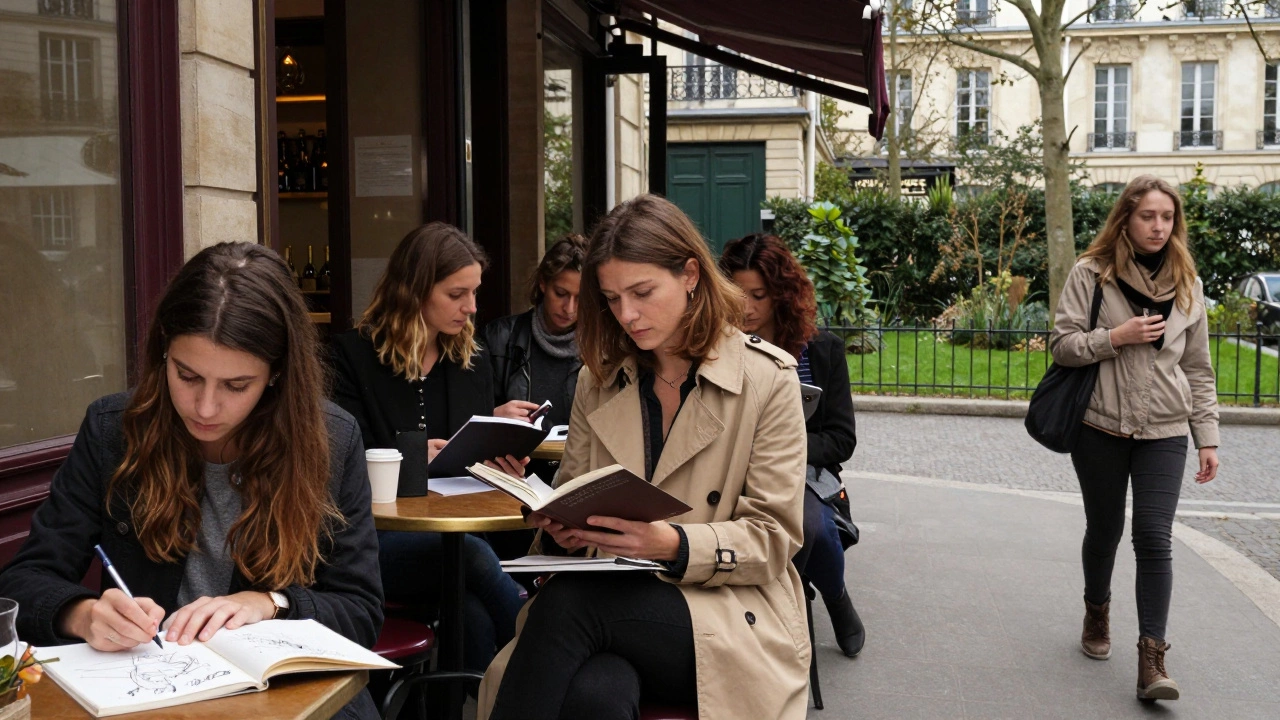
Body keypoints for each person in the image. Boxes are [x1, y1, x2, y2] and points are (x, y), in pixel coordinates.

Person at [0, 242, 384, 719]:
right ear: (164, 352)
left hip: (290, 702)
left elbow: (360, 611)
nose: (204, 408)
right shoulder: (112, 431)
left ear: (277, 375)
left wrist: (271, 603)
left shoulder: (331, 439)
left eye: (236, 386)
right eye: (187, 375)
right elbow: (23, 581)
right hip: (148, 693)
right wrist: (82, 615)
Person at [477, 194, 811, 720]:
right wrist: (565, 531)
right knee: (596, 696)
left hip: (725, 613)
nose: (626, 314)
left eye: (642, 292)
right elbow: (576, 489)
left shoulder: (767, 380)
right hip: (608, 599)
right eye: (611, 298)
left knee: (568, 606)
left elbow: (773, 536)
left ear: (691, 275)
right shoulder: (599, 378)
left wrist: (671, 543)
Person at [1049, 175, 1220, 702]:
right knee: (1104, 530)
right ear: (1126, 218)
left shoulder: (1187, 284)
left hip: (1165, 429)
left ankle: (1152, 659)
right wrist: (1113, 338)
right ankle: (1096, 610)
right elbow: (1062, 345)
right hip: (1099, 424)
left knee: (1153, 536)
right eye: (1148, 216)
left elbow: (1198, 370)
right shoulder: (1091, 273)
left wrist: (1207, 437)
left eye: (1167, 217)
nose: (1158, 226)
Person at [329, 222, 527, 673]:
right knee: (472, 558)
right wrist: (413, 460)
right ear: (415, 288)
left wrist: (501, 458)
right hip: (369, 541)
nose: (471, 307)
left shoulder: (470, 362)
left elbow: (471, 462)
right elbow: (339, 460)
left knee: (471, 615)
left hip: (450, 536)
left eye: (474, 293)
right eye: (457, 294)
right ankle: (545, 645)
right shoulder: (351, 356)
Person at [719, 233, 864, 658]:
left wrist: (778, 448)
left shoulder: (821, 350)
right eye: (736, 294)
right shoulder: (714, 346)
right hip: (727, 470)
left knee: (810, 525)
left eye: (758, 295)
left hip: (802, 474)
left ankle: (835, 596)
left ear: (781, 294)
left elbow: (841, 439)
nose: (745, 307)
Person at [482, 233, 587, 428]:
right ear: (543, 283)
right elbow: (465, 414)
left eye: (580, 298)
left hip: (578, 458)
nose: (569, 308)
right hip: (514, 456)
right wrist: (493, 415)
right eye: (561, 294)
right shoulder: (499, 338)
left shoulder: (602, 348)